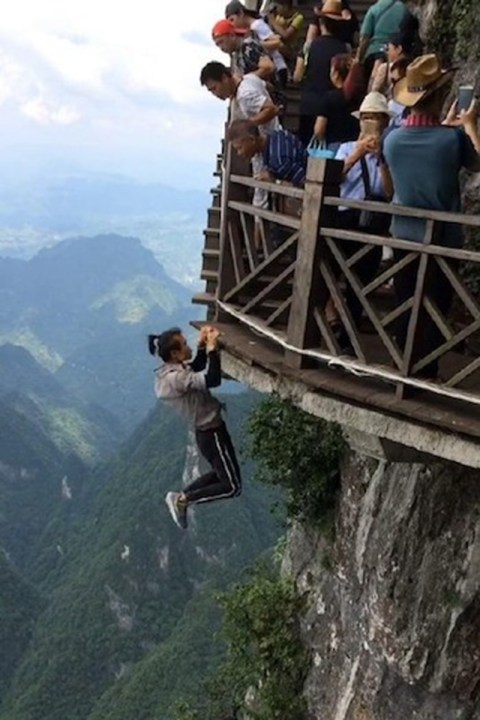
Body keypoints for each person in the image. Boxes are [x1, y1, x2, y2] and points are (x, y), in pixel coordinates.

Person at [383, 53, 480, 378]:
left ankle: (402, 369)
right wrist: (469, 127)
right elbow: (476, 162)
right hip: (443, 240)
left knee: (406, 301)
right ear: (440, 95)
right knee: (436, 306)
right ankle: (428, 372)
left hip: (403, 236)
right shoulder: (452, 140)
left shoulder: (392, 140)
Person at [148, 326, 241, 529]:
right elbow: (213, 379)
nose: (188, 346)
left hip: (209, 433)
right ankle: (183, 500)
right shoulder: (175, 378)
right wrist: (211, 348)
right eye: (185, 345)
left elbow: (196, 366)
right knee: (232, 487)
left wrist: (201, 345)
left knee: (221, 474)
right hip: (211, 433)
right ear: (174, 353)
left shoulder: (172, 371)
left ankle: (181, 497)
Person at [328, 91, 394, 350]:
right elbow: (333, 177)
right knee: (330, 274)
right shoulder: (345, 148)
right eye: (366, 117)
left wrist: (381, 160)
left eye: (376, 117)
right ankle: (328, 322)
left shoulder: (388, 153)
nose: (370, 121)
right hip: (343, 220)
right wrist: (357, 152)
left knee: (361, 284)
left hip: (372, 225)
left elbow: (389, 192)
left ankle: (348, 340)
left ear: (385, 123)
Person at [294, 2, 349, 147]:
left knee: (308, 149)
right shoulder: (346, 49)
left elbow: (297, 76)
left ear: (321, 22)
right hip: (334, 108)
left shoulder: (309, 47)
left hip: (309, 107)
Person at [225, 0, 289, 89]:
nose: (232, 24)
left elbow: (278, 42)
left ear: (241, 13)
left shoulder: (257, 25)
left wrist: (255, 45)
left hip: (278, 69)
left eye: (232, 20)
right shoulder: (250, 28)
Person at [228, 118, 307, 187]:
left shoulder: (278, 160)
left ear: (252, 140)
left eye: (239, 148)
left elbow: (306, 183)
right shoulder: (276, 135)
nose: (239, 153)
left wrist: (275, 181)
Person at [313, 53, 361, 152]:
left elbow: (319, 130)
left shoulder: (329, 97)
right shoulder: (360, 97)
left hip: (333, 147)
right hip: (356, 147)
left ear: (335, 73)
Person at [357, 0, 408, 80]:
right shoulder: (405, 9)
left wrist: (359, 59)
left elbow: (364, 38)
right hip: (395, 53)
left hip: (374, 53)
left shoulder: (374, 8)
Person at [266, 1, 305, 71]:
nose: (277, 10)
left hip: (291, 50)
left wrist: (273, 22)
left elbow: (286, 35)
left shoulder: (298, 17)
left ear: (285, 6)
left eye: (278, 7)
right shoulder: (278, 17)